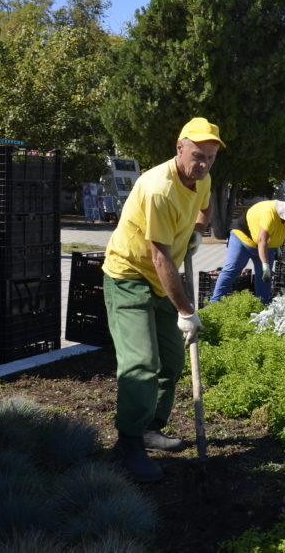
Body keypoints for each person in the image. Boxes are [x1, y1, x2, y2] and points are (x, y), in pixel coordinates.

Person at [101, 118, 224, 482]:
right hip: (129, 276)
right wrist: (186, 310)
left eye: (211, 158)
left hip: (160, 281)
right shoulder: (158, 189)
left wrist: (198, 233)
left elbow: (204, 209)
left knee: (170, 361)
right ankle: (127, 444)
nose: (203, 164)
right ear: (179, 148)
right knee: (141, 363)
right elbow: (160, 257)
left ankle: (151, 428)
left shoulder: (202, 179)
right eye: (197, 156)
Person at [209, 197, 285, 304]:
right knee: (232, 269)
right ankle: (214, 302)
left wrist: (277, 246)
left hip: (264, 246)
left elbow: (277, 231)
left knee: (264, 278)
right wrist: (265, 265)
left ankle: (262, 305)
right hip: (242, 237)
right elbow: (261, 240)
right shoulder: (270, 213)